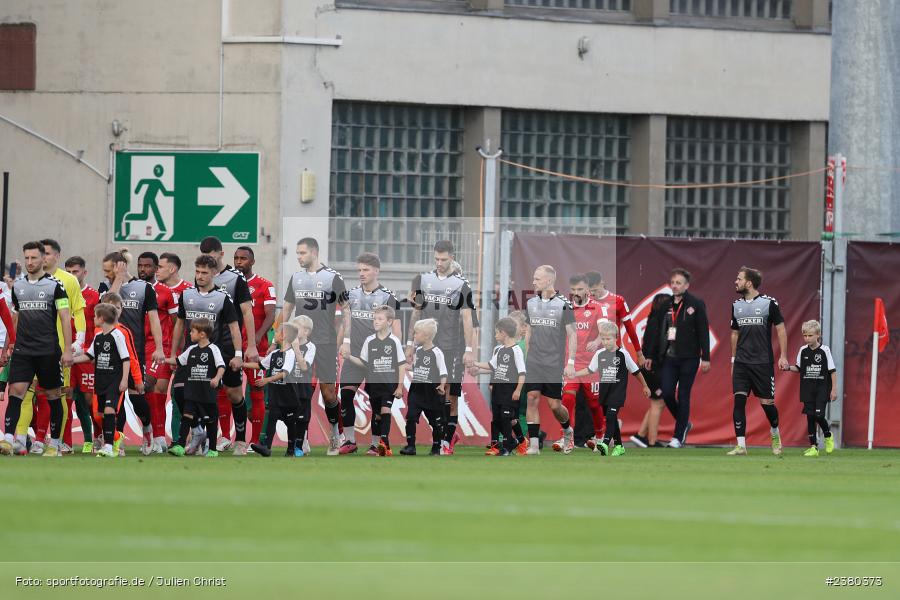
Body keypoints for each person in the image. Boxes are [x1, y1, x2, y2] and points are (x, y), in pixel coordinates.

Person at [0, 241, 73, 457]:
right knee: (16, 392)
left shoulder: (55, 286)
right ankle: (8, 440)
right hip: (23, 351)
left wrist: (68, 350)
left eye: (34, 258)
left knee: (52, 396)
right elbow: (15, 318)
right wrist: (8, 346)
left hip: (48, 351)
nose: (30, 262)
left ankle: (55, 444)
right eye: (27, 258)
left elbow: (65, 318)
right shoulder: (19, 287)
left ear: (43, 259)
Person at [14, 239, 86, 455]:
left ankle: (55, 440)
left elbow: (78, 310)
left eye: (45, 254)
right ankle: (20, 438)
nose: (41, 258)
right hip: (29, 347)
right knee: (25, 393)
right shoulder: (27, 281)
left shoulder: (68, 280)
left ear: (56, 256)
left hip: (57, 347)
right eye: (39, 254)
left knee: (56, 395)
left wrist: (78, 340)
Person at [280, 237, 348, 455]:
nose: (299, 257)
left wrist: (344, 340)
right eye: (297, 253)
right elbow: (287, 309)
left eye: (302, 253)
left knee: (329, 394)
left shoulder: (333, 278)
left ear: (314, 253)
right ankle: (303, 438)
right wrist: (278, 339)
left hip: (326, 342)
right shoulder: (296, 278)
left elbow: (347, 309)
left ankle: (336, 435)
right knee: (302, 392)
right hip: (302, 343)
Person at [169, 255, 242, 456]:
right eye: (198, 272)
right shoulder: (186, 295)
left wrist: (238, 354)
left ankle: (205, 437)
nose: (200, 276)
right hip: (188, 355)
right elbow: (180, 324)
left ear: (213, 274)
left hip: (210, 358)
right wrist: (174, 352)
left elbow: (234, 327)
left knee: (207, 400)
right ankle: (197, 430)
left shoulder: (222, 298)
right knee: (178, 392)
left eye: (205, 273)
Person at [407, 240, 475, 455]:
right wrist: (410, 343)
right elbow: (416, 312)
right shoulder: (422, 280)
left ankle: (445, 440)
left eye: (443, 259)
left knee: (448, 394)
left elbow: (467, 318)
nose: (439, 263)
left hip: (451, 347)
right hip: (426, 347)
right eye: (436, 259)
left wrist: (469, 350)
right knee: (430, 392)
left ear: (452, 258)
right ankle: (440, 437)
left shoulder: (461, 284)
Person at [199, 236, 258, 455]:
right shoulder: (202, 278)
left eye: (212, 256)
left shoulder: (236, 279)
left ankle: (241, 440)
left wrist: (250, 346)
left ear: (221, 254)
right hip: (207, 346)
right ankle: (207, 440)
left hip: (228, 346)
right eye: (205, 257)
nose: (209, 261)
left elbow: (247, 312)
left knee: (234, 393)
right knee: (204, 393)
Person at [339, 252, 402, 455]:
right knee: (346, 394)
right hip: (354, 355)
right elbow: (345, 322)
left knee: (377, 403)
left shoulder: (389, 297)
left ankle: (376, 444)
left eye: (365, 270)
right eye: (359, 270)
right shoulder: (351, 295)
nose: (361, 273)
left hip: (379, 359)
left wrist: (396, 353)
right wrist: (340, 345)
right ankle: (349, 440)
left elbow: (397, 328)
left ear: (376, 271)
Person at [103, 249, 163, 455]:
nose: (105, 275)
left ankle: (147, 428)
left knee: (137, 398)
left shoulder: (144, 288)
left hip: (135, 353)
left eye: (108, 270)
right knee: (115, 398)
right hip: (110, 354)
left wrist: (159, 348)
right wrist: (117, 280)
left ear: (120, 267)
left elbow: (154, 318)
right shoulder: (107, 287)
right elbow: (106, 308)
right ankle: (116, 442)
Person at [727, 266, 790, 456]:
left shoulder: (769, 303)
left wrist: (783, 356)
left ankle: (775, 433)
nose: (735, 282)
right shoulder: (736, 305)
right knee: (738, 401)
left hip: (762, 363)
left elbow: (780, 329)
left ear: (749, 282)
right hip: (741, 363)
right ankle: (741, 445)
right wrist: (733, 360)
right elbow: (734, 334)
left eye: (739, 279)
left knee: (767, 405)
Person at [222, 245, 276, 451]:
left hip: (256, 348)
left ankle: (255, 441)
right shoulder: (226, 284)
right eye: (236, 258)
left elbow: (270, 315)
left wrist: (255, 340)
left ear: (252, 261)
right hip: (231, 345)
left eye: (243, 258)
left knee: (257, 391)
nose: (238, 262)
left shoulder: (264, 285)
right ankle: (225, 437)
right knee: (228, 390)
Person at [650, 268, 711, 448]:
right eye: (673, 282)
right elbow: (656, 331)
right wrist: (652, 355)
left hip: (689, 357)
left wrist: (705, 357)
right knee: (667, 392)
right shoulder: (665, 304)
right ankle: (684, 424)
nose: (675, 286)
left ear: (687, 285)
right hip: (669, 357)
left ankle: (677, 437)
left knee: (684, 394)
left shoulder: (696, 304)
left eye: (679, 283)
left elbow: (703, 332)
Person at [523, 265, 577, 455]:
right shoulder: (530, 303)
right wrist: (527, 356)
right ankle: (534, 445)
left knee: (554, 405)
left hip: (554, 363)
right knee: (532, 398)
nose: (533, 282)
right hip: (534, 361)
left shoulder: (564, 304)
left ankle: (568, 430)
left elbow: (572, 334)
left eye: (537, 279)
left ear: (548, 281)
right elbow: (529, 330)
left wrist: (570, 362)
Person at [574, 321, 651, 456]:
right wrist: (575, 373)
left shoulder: (623, 354)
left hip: (618, 392)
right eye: (603, 339)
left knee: (610, 415)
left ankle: (604, 443)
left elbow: (636, 371)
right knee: (612, 419)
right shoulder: (599, 354)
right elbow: (590, 370)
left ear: (616, 338)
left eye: (608, 339)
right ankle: (620, 446)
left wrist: (645, 386)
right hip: (605, 392)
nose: (605, 342)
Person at [343, 305, 406, 457]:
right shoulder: (369, 341)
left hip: (389, 385)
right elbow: (364, 363)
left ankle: (385, 443)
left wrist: (399, 387)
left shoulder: (394, 342)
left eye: (380, 319)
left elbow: (401, 364)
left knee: (385, 410)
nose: (375, 322)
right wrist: (349, 357)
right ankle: (375, 445)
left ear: (389, 321)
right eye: (375, 319)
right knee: (377, 415)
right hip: (373, 385)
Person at [249, 318, 316, 457]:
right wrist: (243, 364)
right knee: (272, 418)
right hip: (279, 393)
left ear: (306, 331)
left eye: (298, 326)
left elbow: (302, 368)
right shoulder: (277, 352)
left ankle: (296, 447)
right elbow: (263, 364)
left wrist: (296, 349)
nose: (295, 329)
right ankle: (266, 446)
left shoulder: (306, 348)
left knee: (298, 421)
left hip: (298, 390)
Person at [72, 303, 131, 458]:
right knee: (102, 415)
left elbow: (126, 359)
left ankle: (109, 447)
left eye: (94, 316)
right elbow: (89, 356)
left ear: (102, 318)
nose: (93, 319)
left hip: (114, 380)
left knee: (109, 411)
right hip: (101, 380)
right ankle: (115, 438)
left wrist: (124, 380)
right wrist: (72, 360)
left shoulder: (118, 335)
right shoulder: (98, 337)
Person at [135, 251, 179, 453]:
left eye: (148, 266)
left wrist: (174, 349)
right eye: (140, 265)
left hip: (157, 347)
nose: (143, 269)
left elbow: (176, 322)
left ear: (155, 268)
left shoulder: (165, 292)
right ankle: (153, 433)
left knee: (150, 386)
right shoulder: (134, 289)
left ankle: (159, 436)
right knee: (143, 392)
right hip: (137, 346)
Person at [557, 273, 606, 452]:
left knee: (594, 404)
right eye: (573, 289)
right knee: (567, 399)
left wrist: (598, 340)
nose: (576, 292)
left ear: (587, 289)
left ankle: (600, 436)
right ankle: (566, 437)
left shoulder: (598, 307)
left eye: (579, 289)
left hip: (591, 365)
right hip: (571, 363)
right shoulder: (567, 308)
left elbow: (604, 329)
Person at [165, 318, 226, 457]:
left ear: (202, 334)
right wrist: (163, 359)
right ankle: (180, 446)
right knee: (186, 417)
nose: (190, 334)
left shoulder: (213, 349)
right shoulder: (191, 350)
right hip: (192, 392)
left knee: (211, 420)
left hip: (207, 392)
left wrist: (217, 378)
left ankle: (212, 449)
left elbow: (221, 366)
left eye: (192, 331)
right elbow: (178, 361)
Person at [471, 317, 527, 456]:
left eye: (497, 332)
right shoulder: (500, 350)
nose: (495, 335)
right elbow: (491, 366)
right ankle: (497, 445)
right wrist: (476, 364)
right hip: (498, 389)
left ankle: (507, 447)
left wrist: (518, 390)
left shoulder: (516, 350)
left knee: (506, 418)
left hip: (510, 390)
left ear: (504, 333)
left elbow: (522, 373)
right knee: (496, 418)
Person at [154, 252, 193, 445]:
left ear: (172, 268)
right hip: (162, 349)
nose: (156, 270)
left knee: (181, 396)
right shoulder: (154, 290)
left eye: (160, 266)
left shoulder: (189, 290)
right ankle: (159, 437)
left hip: (184, 352)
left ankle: (184, 438)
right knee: (158, 391)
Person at [64, 256, 101, 453]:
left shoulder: (94, 296)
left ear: (84, 273)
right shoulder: (59, 293)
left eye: (75, 271)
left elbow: (99, 326)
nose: (71, 275)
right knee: (66, 399)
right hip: (66, 354)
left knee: (89, 401)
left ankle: (97, 438)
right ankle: (67, 443)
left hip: (87, 355)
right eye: (68, 272)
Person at [783, 320, 837, 457]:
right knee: (810, 417)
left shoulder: (825, 350)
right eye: (805, 335)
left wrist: (834, 389)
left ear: (818, 335)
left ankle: (828, 435)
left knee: (819, 415)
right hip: (807, 389)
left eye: (810, 335)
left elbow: (832, 370)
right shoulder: (803, 350)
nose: (807, 338)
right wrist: (788, 367)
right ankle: (814, 447)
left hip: (822, 389)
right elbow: (799, 368)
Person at [401, 319, 447, 456]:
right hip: (416, 391)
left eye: (417, 333)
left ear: (426, 336)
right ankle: (410, 446)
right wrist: (401, 366)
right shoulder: (419, 351)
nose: (414, 335)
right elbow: (415, 368)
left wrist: (442, 385)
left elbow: (443, 372)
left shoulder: (437, 352)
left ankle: (436, 447)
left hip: (431, 393)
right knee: (410, 418)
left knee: (436, 422)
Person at [631, 293, 670, 448]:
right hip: (651, 366)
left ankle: (641, 435)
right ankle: (652, 441)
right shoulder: (655, 322)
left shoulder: (656, 320)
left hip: (652, 365)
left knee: (657, 402)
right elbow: (652, 344)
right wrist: (651, 359)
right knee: (658, 402)